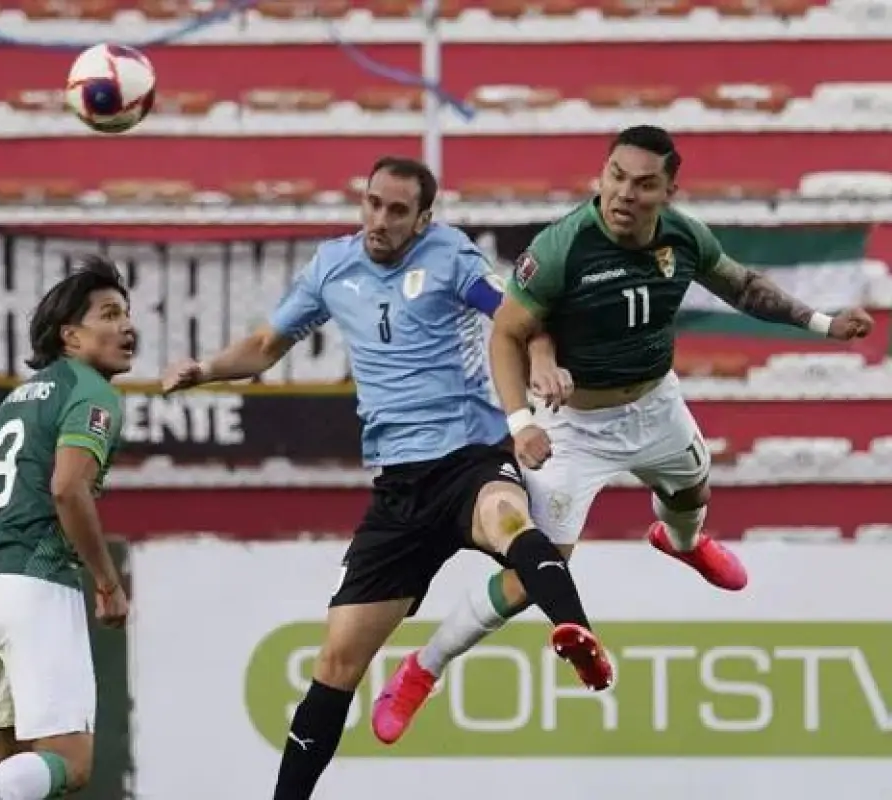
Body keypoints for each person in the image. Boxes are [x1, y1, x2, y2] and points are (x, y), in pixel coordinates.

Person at [372, 124, 876, 744]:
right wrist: (521, 423)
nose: (624, 193)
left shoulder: (684, 236)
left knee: (692, 490)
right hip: (574, 426)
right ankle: (423, 668)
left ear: (668, 192)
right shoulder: (562, 247)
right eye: (615, 176)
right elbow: (506, 333)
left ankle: (681, 542)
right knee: (536, 574)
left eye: (643, 184)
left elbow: (742, 286)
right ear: (602, 174)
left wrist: (822, 323)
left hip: (656, 404)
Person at [161, 155, 612, 800]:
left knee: (509, 521)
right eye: (373, 203)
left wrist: (541, 360)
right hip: (399, 488)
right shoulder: (332, 267)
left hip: (470, 457)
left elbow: (521, 318)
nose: (380, 219)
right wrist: (205, 370)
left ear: (423, 218)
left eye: (398, 210)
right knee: (337, 661)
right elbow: (264, 346)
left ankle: (577, 634)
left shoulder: (451, 257)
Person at [0, 259, 136, 800]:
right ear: (71, 336)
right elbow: (68, 489)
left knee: (20, 773)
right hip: (37, 586)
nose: (127, 327)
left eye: (126, 314)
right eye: (109, 314)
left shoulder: (14, 404)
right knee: (69, 763)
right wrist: (107, 583)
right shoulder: (92, 393)